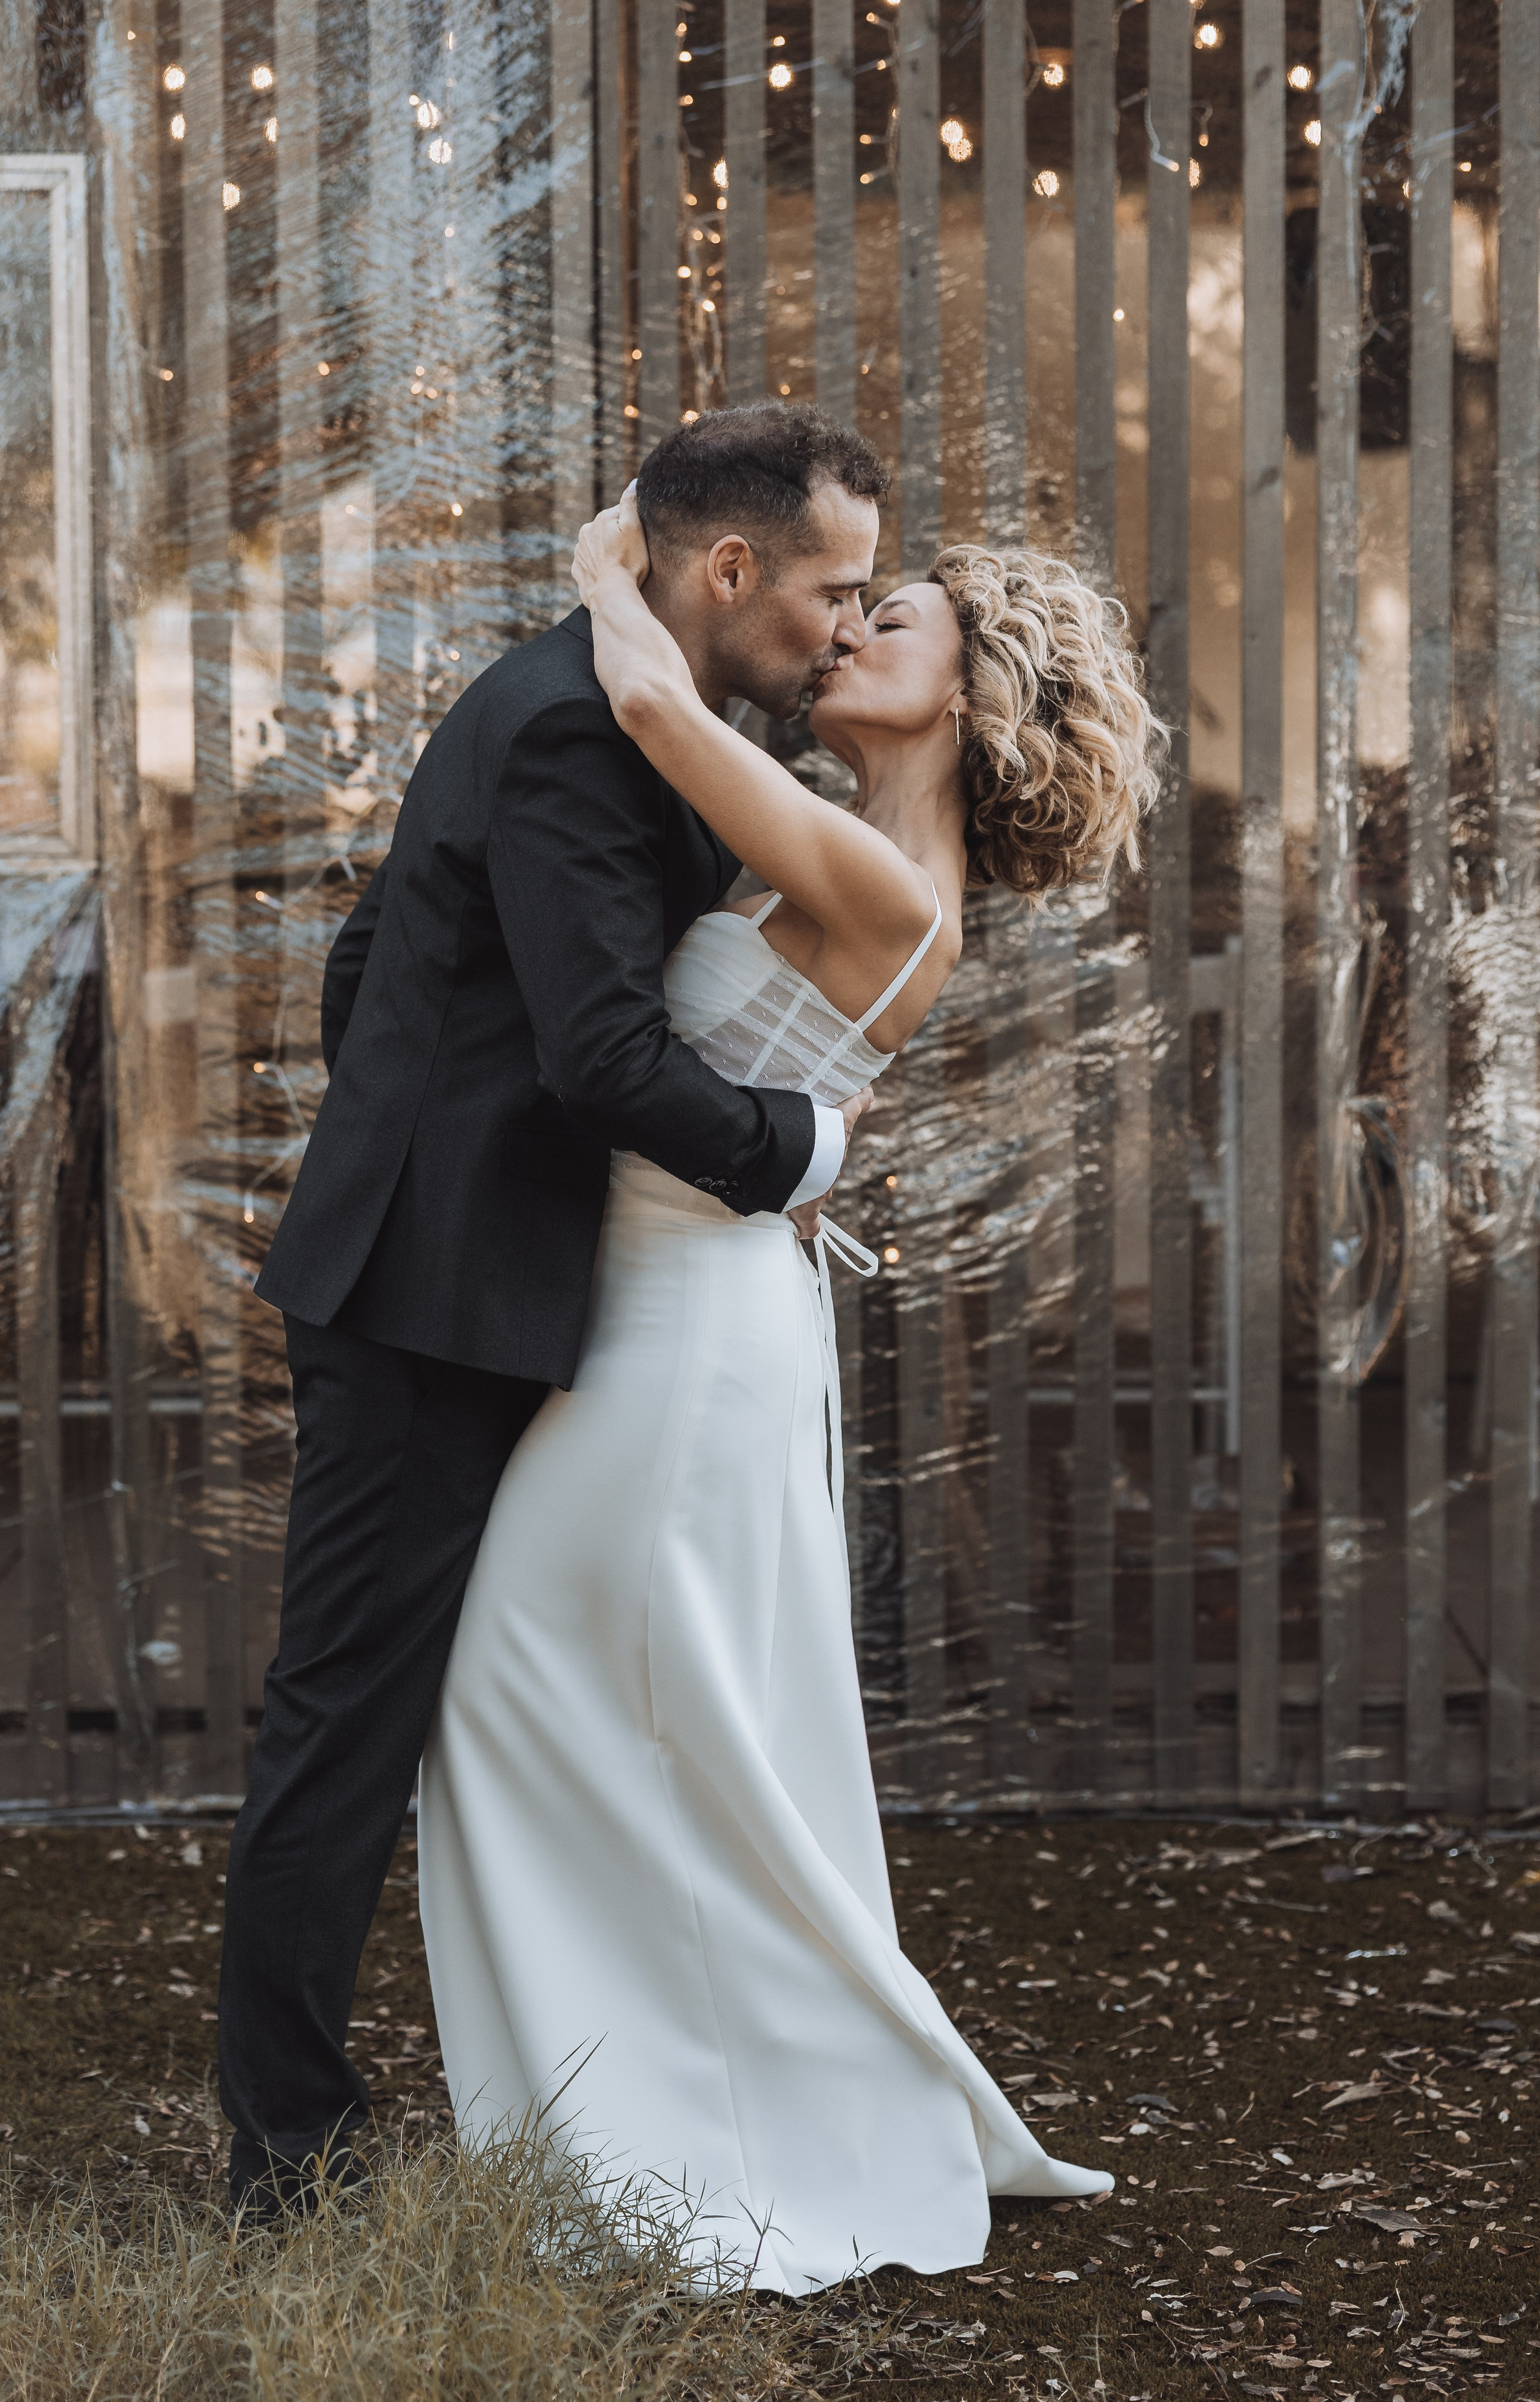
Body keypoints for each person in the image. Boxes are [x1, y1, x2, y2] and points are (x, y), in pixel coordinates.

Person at [415, 477, 1163, 2291]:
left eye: (887, 623)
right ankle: (646, 2105)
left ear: (964, 698)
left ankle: (655, 2132)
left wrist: (610, 566)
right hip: (681, 1307)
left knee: (528, 1697)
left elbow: (649, 702)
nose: (844, 634)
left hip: (682, 1343)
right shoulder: (840, 845)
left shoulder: (883, 879)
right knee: (634, 1723)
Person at [221, 405, 891, 2219]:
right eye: (835, 590)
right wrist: (802, 1149)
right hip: (431, 1302)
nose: (848, 627)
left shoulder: (619, 706)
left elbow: (374, 959)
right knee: (348, 1717)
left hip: (499, 1276)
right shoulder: (575, 730)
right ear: (730, 570)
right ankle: (286, 2160)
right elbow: (600, 1057)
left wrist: (416, 1106)